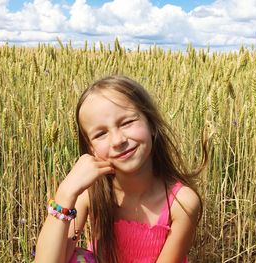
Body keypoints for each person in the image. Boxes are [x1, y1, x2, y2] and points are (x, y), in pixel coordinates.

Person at [35, 75, 208, 263]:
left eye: (127, 123)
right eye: (101, 134)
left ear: (150, 123)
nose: (118, 140)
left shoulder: (181, 203)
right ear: (91, 147)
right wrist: (65, 194)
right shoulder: (91, 192)